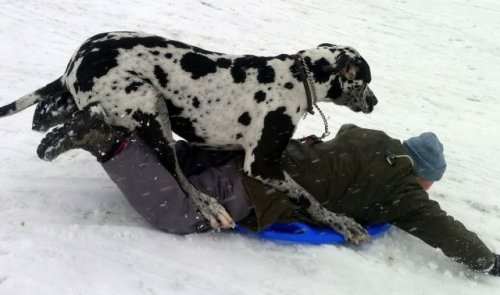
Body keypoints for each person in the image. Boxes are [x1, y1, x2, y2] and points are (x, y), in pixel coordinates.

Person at [36, 110, 500, 276]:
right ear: (422, 174)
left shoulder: (371, 137)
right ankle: (107, 140)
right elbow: (443, 228)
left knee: (184, 161)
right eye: (429, 183)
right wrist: (488, 262)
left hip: (259, 152)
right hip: (261, 185)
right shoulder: (403, 189)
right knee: (179, 213)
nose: (427, 192)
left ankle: (129, 130)